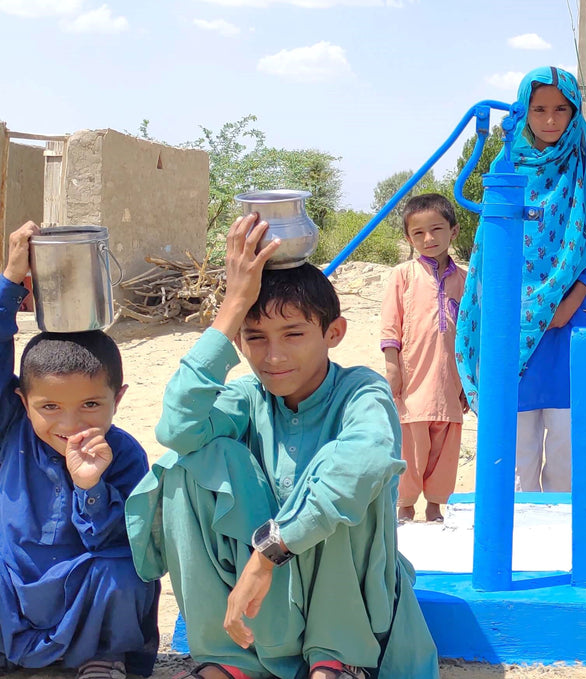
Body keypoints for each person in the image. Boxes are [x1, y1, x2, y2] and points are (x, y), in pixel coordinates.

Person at [125, 215, 439, 679]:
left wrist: (268, 552)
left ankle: (338, 660)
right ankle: (229, 659)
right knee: (182, 465)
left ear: (334, 333)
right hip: (269, 605)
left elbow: (362, 463)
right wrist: (232, 305)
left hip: (345, 602)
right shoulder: (249, 398)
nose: (273, 356)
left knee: (340, 470)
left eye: (293, 334)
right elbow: (178, 428)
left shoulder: (361, 392)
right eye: (254, 337)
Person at [456, 66, 586, 492]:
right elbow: (489, 247)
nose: (550, 120)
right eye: (539, 109)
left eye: (560, 109)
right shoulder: (507, 165)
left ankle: (561, 544)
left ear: (575, 113)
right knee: (515, 452)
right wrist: (516, 307)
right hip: (512, 323)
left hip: (570, 321)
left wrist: (571, 300)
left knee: (569, 447)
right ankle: (514, 550)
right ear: (524, 111)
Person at [0, 221, 159, 679]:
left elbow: (122, 543)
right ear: (21, 401)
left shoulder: (124, 455)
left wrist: (90, 487)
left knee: (125, 574)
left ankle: (102, 657)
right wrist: (11, 281)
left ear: (119, 399)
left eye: (91, 405)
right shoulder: (11, 431)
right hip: (14, 595)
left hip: (84, 609)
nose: (70, 425)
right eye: (49, 406)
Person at [380, 193, 467, 524]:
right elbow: (391, 323)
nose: (428, 239)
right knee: (411, 444)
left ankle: (435, 506)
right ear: (408, 238)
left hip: (451, 379)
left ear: (453, 231)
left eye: (436, 229)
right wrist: (392, 366)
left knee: (445, 443)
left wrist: (469, 379)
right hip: (413, 375)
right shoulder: (403, 275)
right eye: (418, 233)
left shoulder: (465, 279)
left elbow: (472, 330)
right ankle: (405, 505)